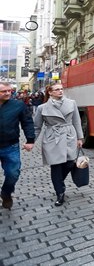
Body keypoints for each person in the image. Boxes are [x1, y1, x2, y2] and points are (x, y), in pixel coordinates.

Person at [33, 83, 84, 207]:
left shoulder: (71, 103)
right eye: (57, 90)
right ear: (50, 92)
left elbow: (77, 121)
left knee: (70, 162)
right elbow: (36, 127)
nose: (60, 91)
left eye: (61, 89)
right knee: (56, 166)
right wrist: (31, 141)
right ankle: (59, 192)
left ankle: (59, 182)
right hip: (52, 137)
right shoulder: (42, 108)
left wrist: (80, 138)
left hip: (68, 135)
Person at [0, 82, 35, 210]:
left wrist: (30, 140)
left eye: (9, 90)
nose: (8, 93)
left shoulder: (18, 105)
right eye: (4, 91)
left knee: (13, 173)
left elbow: (27, 123)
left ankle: (6, 193)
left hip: (11, 146)